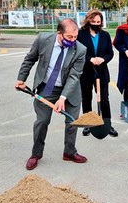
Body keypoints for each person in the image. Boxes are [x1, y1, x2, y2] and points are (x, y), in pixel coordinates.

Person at [15, 18, 87, 170]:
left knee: (72, 122)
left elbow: (74, 76)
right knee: (42, 122)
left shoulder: (80, 49)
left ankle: (69, 152)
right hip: (47, 88)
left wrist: (62, 98)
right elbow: (30, 59)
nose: (73, 40)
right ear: (59, 33)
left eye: (76, 37)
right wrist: (21, 79)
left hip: (69, 89)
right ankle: (36, 154)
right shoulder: (43, 40)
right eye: (69, 37)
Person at [77, 10, 118, 137]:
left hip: (101, 71)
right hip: (87, 71)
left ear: (101, 22)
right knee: (86, 98)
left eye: (98, 22)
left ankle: (107, 123)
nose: (95, 23)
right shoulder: (81, 34)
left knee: (104, 99)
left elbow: (110, 53)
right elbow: (77, 52)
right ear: (88, 21)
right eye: (93, 21)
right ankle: (88, 124)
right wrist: (90, 59)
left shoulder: (105, 35)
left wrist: (103, 59)